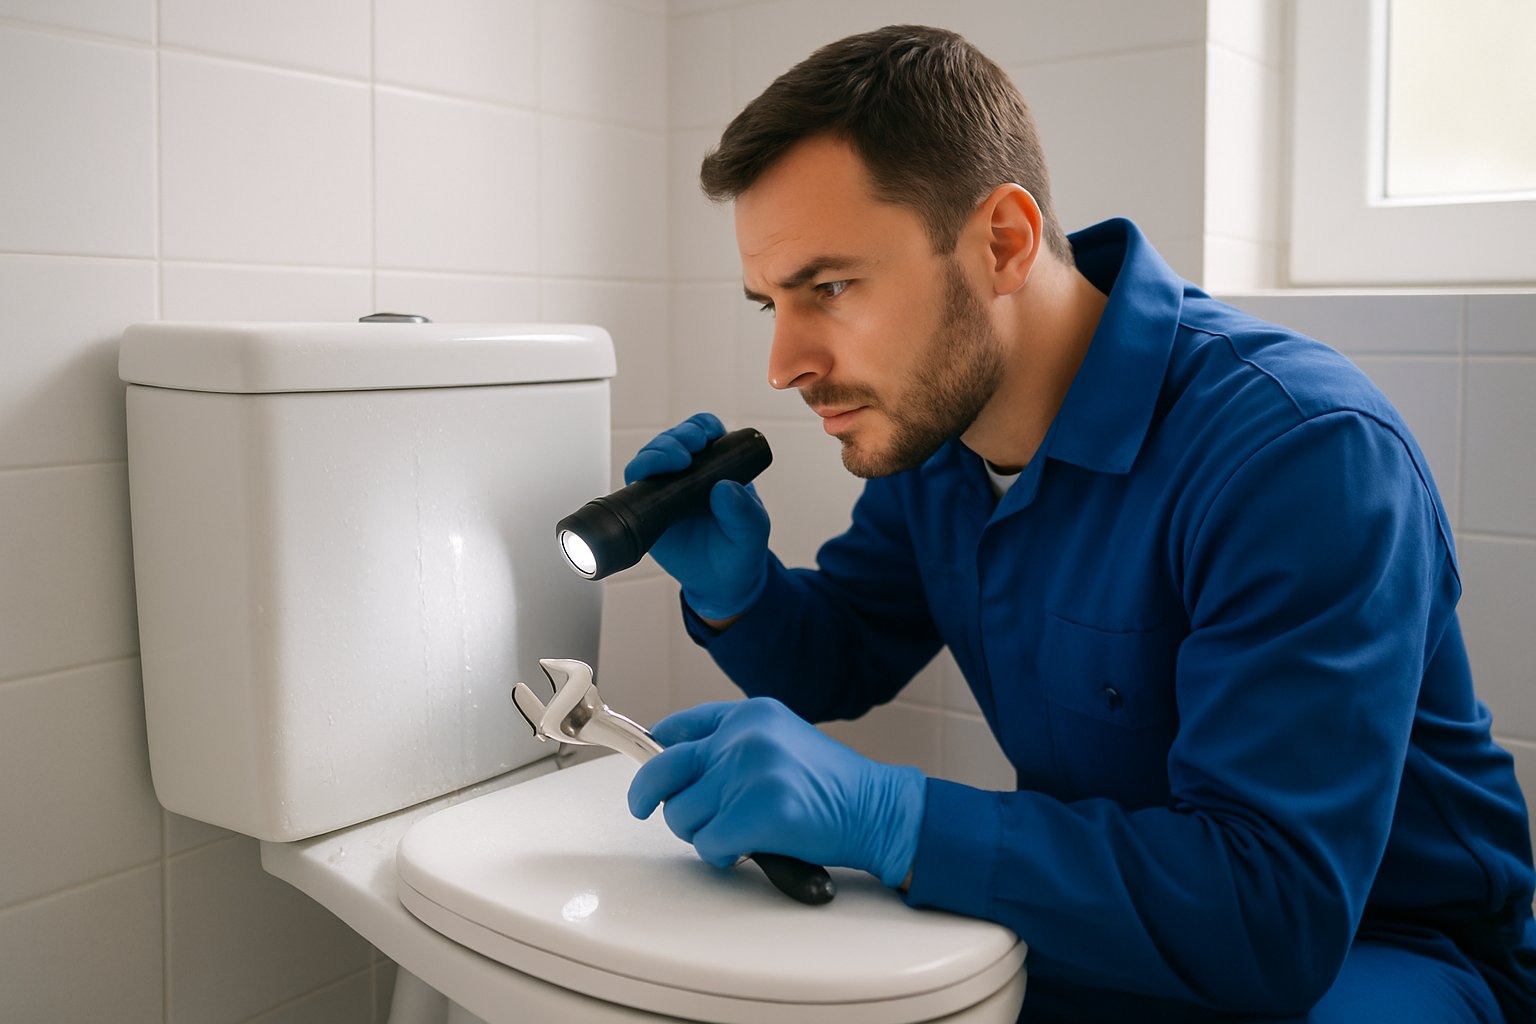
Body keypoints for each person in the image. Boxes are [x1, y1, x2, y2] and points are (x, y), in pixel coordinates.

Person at [621, 24, 1536, 1023]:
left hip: (1381, 951)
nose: (784, 362)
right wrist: (741, 594)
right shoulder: (942, 437)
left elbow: (1274, 913)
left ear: (1004, 244)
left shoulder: (1302, 455)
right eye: (771, 304)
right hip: (1122, 922)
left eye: (831, 287)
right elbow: (846, 651)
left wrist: (896, 817)